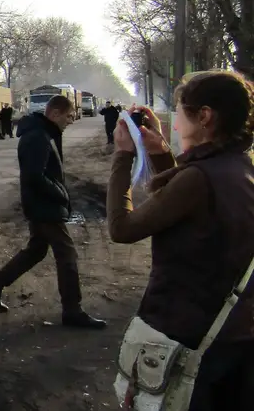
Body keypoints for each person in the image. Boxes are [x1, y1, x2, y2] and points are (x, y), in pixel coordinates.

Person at [107, 72, 254, 409]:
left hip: (190, 338)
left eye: (180, 113)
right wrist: (160, 152)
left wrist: (123, 154)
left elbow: (122, 228)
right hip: (235, 333)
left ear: (204, 116)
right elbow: (185, 202)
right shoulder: (239, 167)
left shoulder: (199, 178)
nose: (174, 126)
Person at [0, 95, 106, 329]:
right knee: (67, 255)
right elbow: (34, 176)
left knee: (36, 250)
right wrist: (60, 193)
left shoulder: (43, 133)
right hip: (43, 206)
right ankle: (72, 311)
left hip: (41, 204)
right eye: (68, 116)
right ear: (55, 114)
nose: (71, 120)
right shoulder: (37, 137)